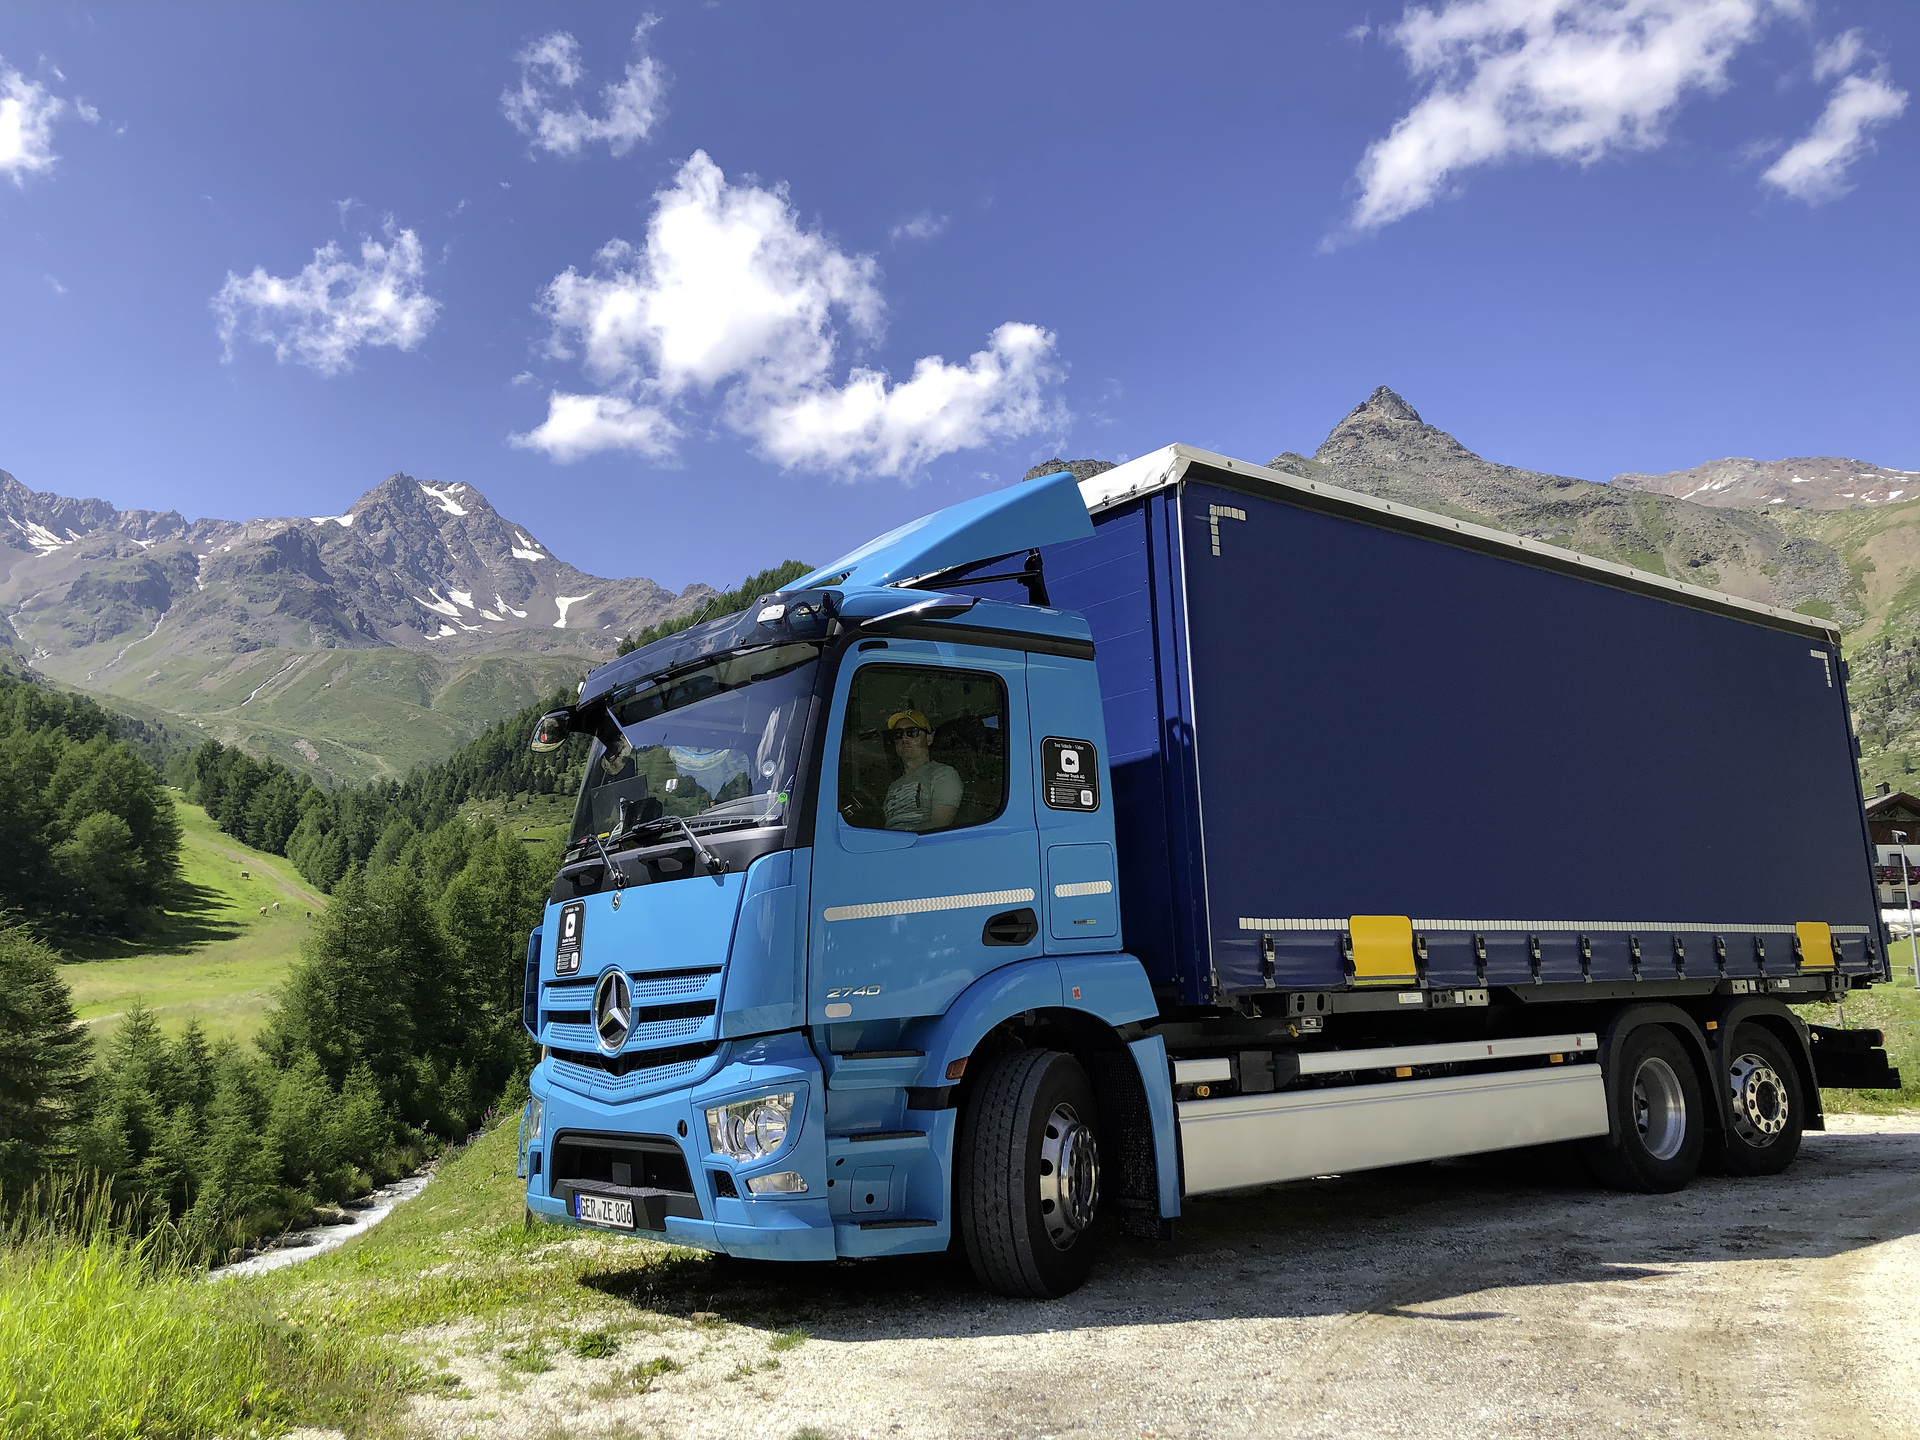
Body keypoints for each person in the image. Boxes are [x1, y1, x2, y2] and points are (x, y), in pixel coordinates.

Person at [883, 710, 961, 831]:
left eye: (912, 732)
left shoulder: (943, 773)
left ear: (929, 739)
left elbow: (939, 826)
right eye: (898, 734)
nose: (904, 738)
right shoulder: (893, 786)